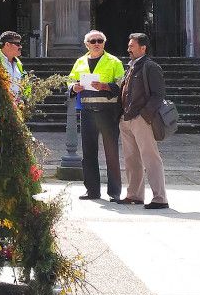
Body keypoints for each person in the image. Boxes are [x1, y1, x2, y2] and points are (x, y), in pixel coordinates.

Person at [68, 30, 125, 202]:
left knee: (111, 153)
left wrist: (105, 86)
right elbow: (70, 80)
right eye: (93, 41)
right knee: (89, 152)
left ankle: (114, 193)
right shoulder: (80, 62)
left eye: (100, 40)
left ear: (104, 43)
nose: (96, 43)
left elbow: (122, 85)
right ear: (87, 44)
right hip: (87, 111)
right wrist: (73, 87)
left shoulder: (114, 61)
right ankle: (92, 191)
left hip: (108, 111)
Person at [117, 33, 168, 209]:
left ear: (143, 48)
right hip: (126, 118)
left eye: (132, 46)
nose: (128, 49)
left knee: (150, 157)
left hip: (141, 119)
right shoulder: (130, 67)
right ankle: (134, 195)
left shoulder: (150, 67)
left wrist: (145, 116)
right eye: (129, 45)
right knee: (131, 158)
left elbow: (158, 95)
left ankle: (160, 198)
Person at [0, 30, 24, 99]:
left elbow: (24, 84)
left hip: (16, 106)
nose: (20, 47)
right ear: (7, 45)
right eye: (18, 44)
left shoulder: (18, 63)